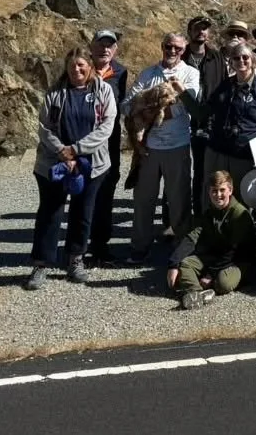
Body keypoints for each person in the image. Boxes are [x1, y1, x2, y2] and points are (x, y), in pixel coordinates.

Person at [27, 48, 118, 289]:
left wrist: (76, 150)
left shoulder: (103, 90)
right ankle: (41, 264)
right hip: (55, 161)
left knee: (83, 212)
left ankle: (75, 259)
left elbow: (106, 127)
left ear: (89, 65)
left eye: (81, 65)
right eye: (71, 66)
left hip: (91, 163)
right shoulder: (56, 92)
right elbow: (44, 127)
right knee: (50, 212)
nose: (76, 70)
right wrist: (62, 152)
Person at [124, 32, 201, 262]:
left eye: (178, 48)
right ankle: (140, 246)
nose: (172, 51)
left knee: (179, 199)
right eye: (168, 46)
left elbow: (187, 107)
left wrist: (152, 109)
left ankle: (182, 247)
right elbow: (128, 104)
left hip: (177, 144)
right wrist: (145, 111)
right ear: (162, 47)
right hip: (149, 146)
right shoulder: (148, 74)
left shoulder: (190, 74)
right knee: (143, 198)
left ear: (184, 50)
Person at [168, 169, 256, 309]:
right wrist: (173, 264)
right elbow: (192, 238)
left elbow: (233, 251)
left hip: (237, 260)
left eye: (222, 190)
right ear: (209, 192)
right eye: (214, 191)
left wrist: (210, 274)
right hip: (216, 256)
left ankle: (203, 286)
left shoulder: (240, 214)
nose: (218, 195)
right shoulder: (210, 212)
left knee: (223, 283)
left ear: (230, 190)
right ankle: (196, 293)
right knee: (185, 264)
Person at [202, 41, 256, 200]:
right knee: (215, 193)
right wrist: (182, 93)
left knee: (241, 195)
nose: (241, 61)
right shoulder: (225, 85)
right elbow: (206, 112)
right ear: (231, 62)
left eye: (245, 57)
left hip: (244, 152)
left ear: (253, 61)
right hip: (218, 149)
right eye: (236, 58)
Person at [86, 29, 129, 267]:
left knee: (106, 192)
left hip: (109, 141)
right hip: (83, 139)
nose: (105, 49)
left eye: (109, 45)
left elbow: (122, 103)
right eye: (100, 44)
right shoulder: (81, 68)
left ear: (115, 50)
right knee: (82, 193)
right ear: (91, 47)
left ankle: (101, 246)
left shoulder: (120, 72)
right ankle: (78, 247)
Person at [182, 16, 225, 215]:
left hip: (209, 122)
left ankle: (201, 214)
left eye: (205, 29)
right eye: (197, 28)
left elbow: (223, 88)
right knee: (179, 172)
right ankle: (173, 221)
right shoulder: (180, 57)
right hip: (183, 121)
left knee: (204, 171)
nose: (202, 32)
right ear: (189, 31)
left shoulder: (216, 58)